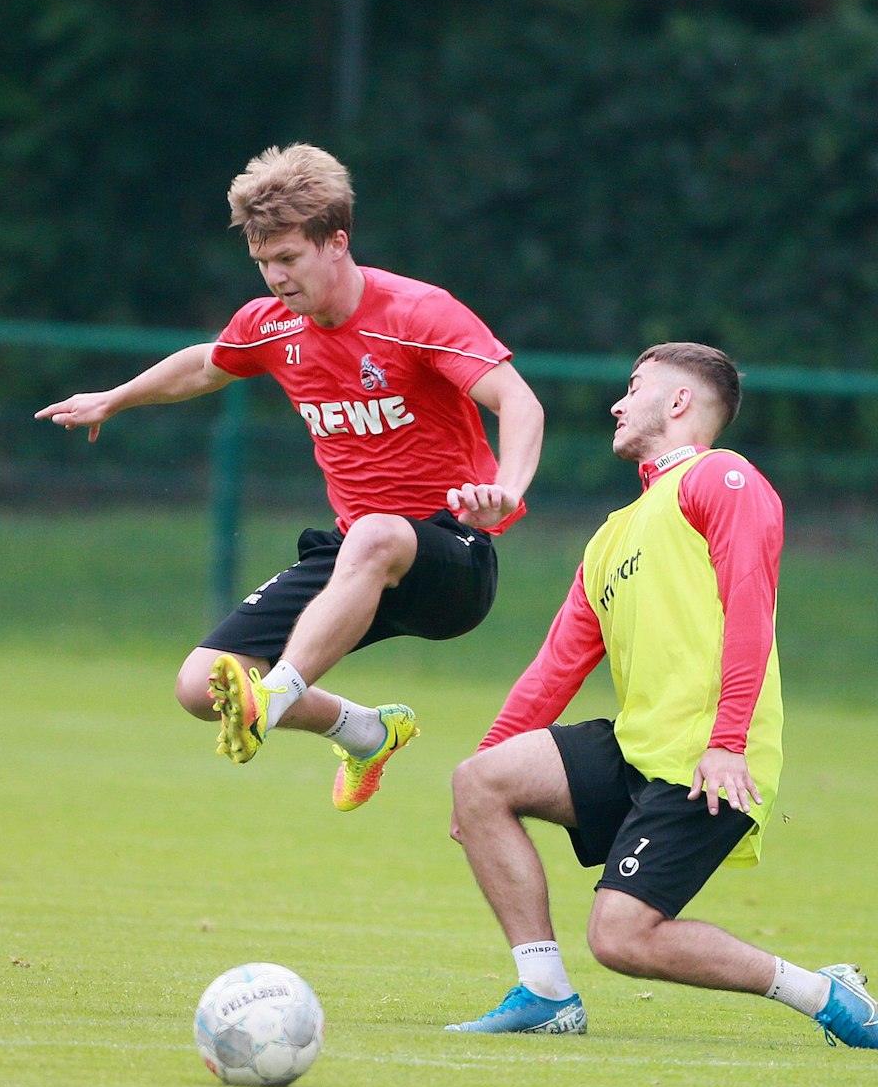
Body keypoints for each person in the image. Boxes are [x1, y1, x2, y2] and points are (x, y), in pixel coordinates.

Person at [37, 144, 544, 811]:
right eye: (263, 263)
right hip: (355, 554)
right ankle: (366, 730)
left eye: (288, 259)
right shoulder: (272, 326)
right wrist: (114, 398)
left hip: (453, 556)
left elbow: (519, 400)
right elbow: (207, 363)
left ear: (337, 242)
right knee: (198, 686)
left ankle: (272, 700)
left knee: (375, 538)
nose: (275, 277)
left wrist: (506, 488)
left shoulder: (417, 313)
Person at [442, 343, 878, 1050]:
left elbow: (749, 606)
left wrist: (727, 741)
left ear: (680, 402)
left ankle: (823, 992)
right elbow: (554, 667)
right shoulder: (614, 532)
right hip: (639, 747)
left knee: (621, 937)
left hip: (709, 759)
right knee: (479, 780)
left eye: (633, 388)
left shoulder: (721, 477)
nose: (617, 403)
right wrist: (481, 774)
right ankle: (544, 995)